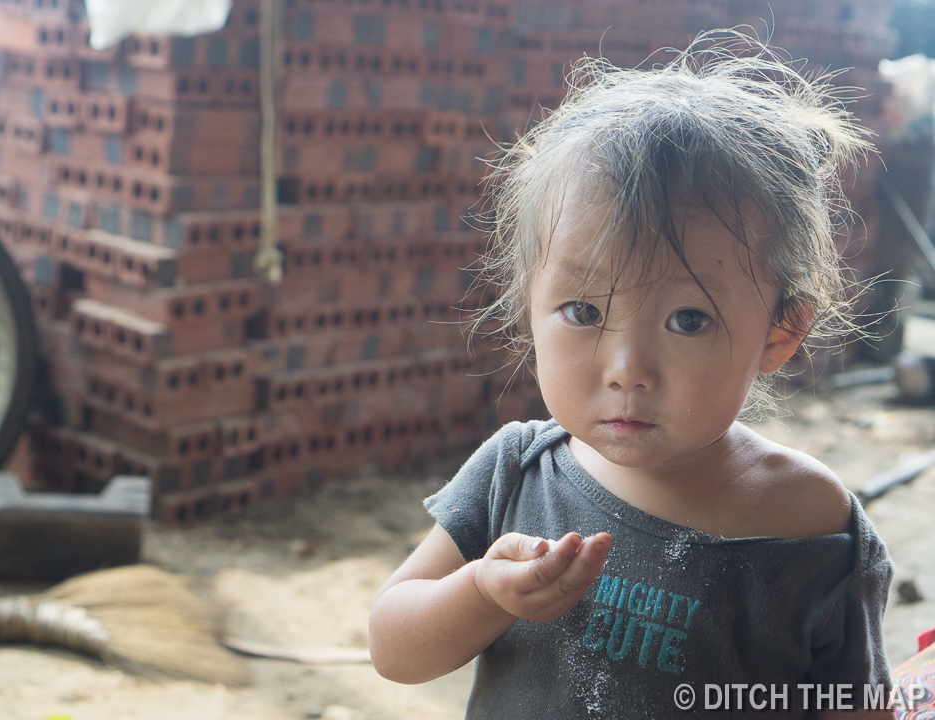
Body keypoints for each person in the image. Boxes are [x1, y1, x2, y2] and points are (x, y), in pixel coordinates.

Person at [369, 32, 895, 719]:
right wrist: (480, 593)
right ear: (528, 304)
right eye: (583, 310)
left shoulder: (815, 532)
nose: (627, 371)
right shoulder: (517, 474)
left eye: (688, 321)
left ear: (780, 330)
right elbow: (393, 647)